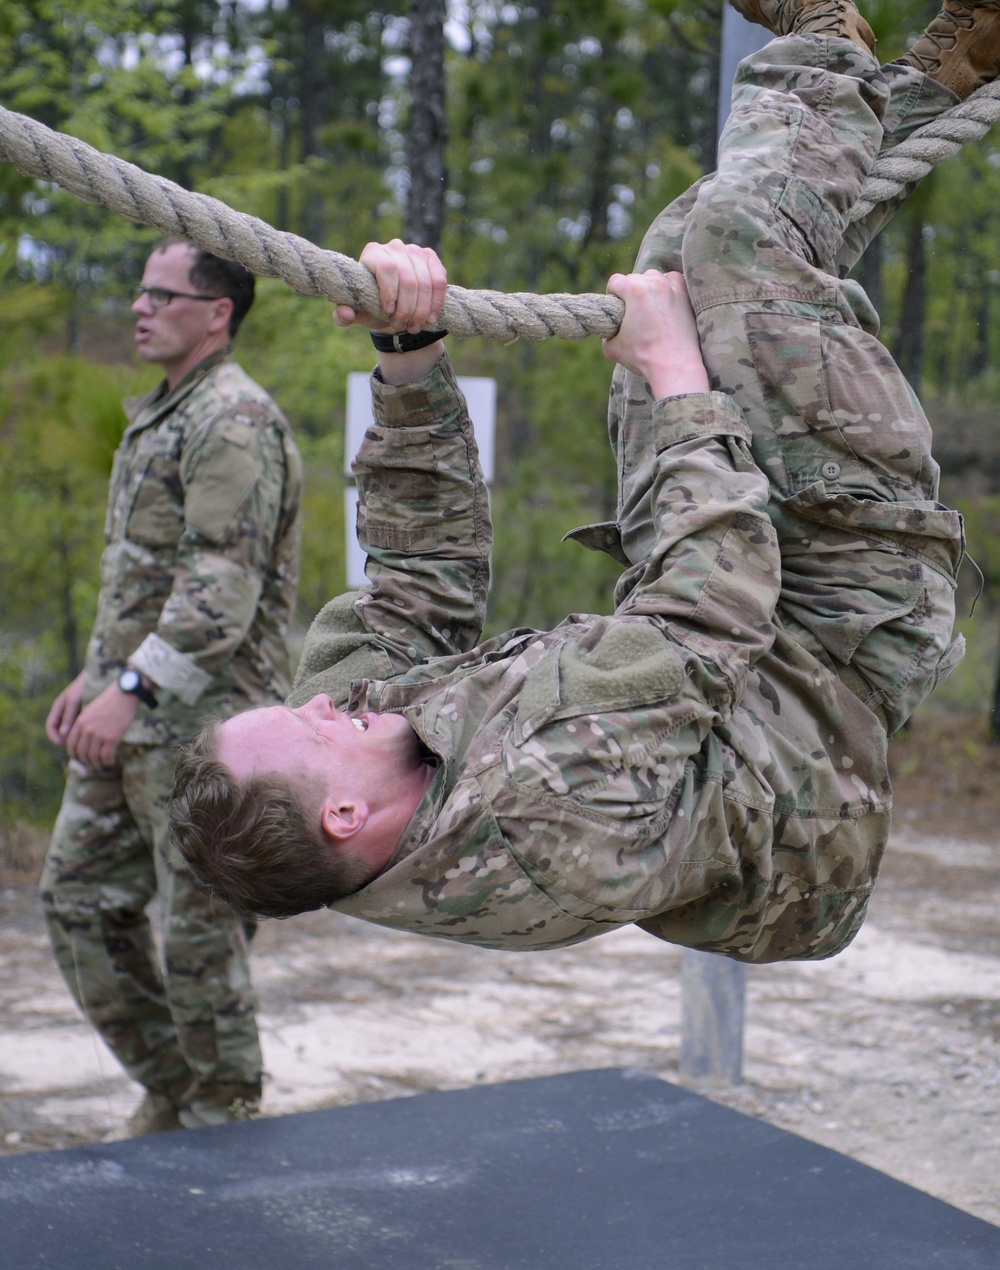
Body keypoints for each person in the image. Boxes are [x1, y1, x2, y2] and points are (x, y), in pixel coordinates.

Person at [169, 0, 981, 963]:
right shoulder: (550, 821)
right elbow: (704, 620)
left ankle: (948, 76)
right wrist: (676, 376)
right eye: (304, 726)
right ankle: (824, 36)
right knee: (729, 245)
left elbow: (414, 581)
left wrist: (408, 361)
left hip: (729, 591)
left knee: (678, 262)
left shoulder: (342, 753)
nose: (314, 703)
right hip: (840, 623)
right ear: (346, 816)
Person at [41, 241, 303, 1137]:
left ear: (217, 311)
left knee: (199, 939)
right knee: (77, 903)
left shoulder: (233, 418)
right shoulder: (167, 412)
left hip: (204, 729)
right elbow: (149, 577)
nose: (138, 307)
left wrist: (132, 691)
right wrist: (97, 677)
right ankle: (178, 1090)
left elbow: (218, 592)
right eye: (139, 292)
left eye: (161, 294)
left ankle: (224, 1124)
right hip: (136, 710)